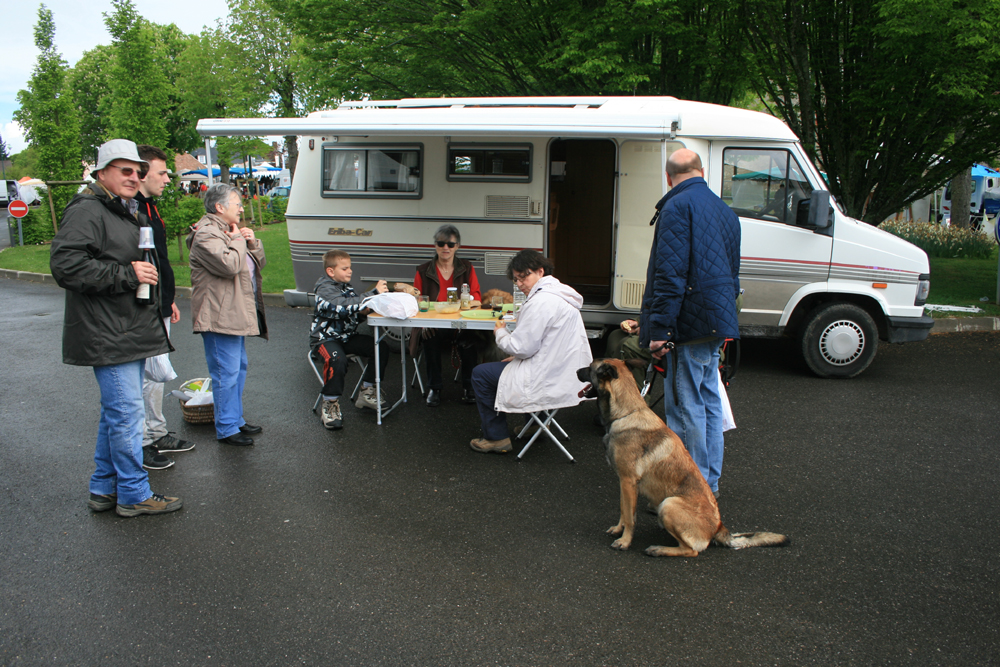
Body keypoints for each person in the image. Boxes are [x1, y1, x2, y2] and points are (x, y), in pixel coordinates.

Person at [50, 138, 182, 517]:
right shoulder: (88, 209)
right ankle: (134, 493)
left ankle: (104, 487)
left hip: (124, 327)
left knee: (117, 412)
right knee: (126, 414)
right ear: (102, 173)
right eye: (125, 170)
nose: (133, 177)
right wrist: (128, 274)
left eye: (138, 171)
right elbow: (66, 265)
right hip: (107, 331)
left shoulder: (123, 208)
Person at [639, 148, 741, 498]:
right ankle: (709, 484)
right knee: (709, 403)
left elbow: (670, 275)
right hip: (716, 322)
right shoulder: (725, 210)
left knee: (686, 408)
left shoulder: (676, 207)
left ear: (669, 177)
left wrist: (660, 330)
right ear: (702, 171)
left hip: (687, 325)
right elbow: (732, 274)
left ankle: (690, 491)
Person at [468, 250, 592, 453]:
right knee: (513, 363)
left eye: (524, 277)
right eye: (516, 279)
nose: (520, 284)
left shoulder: (540, 302)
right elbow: (544, 344)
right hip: (563, 373)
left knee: (480, 374)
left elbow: (521, 348)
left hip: (544, 377)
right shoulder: (562, 295)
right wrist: (517, 356)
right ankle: (537, 426)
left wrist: (500, 333)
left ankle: (496, 438)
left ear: (540, 271)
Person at [188, 184, 267, 446]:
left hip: (234, 314)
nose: (241, 208)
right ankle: (226, 427)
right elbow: (230, 265)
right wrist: (238, 241)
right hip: (219, 316)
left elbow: (256, 265)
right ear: (219, 207)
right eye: (237, 203)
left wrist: (252, 243)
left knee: (238, 370)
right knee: (226, 373)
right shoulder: (206, 234)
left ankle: (235, 419)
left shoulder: (229, 231)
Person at [136, 145, 195, 469]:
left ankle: (156, 433)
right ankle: (143, 443)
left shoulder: (151, 207)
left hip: (159, 303)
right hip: (143, 308)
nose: (167, 179)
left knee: (156, 376)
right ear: (142, 174)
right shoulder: (133, 211)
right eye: (162, 173)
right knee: (145, 377)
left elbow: (157, 258)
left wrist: (168, 298)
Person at [309, 250, 390, 430]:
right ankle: (329, 404)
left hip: (346, 337)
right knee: (336, 358)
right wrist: (373, 293)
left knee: (380, 347)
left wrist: (364, 312)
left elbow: (351, 314)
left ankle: (367, 392)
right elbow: (340, 307)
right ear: (331, 271)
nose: (350, 271)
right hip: (324, 339)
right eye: (345, 268)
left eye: (350, 267)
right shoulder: (324, 288)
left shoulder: (346, 287)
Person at [412, 224, 481, 406]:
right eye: (441, 243)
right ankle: (434, 388)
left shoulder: (467, 267)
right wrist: (423, 324)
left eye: (450, 244)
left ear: (457, 246)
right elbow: (416, 302)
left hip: (461, 322)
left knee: (470, 339)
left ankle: (469, 387)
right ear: (435, 245)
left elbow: (477, 297)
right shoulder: (423, 270)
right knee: (429, 336)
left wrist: (465, 303)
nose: (445, 248)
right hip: (434, 322)